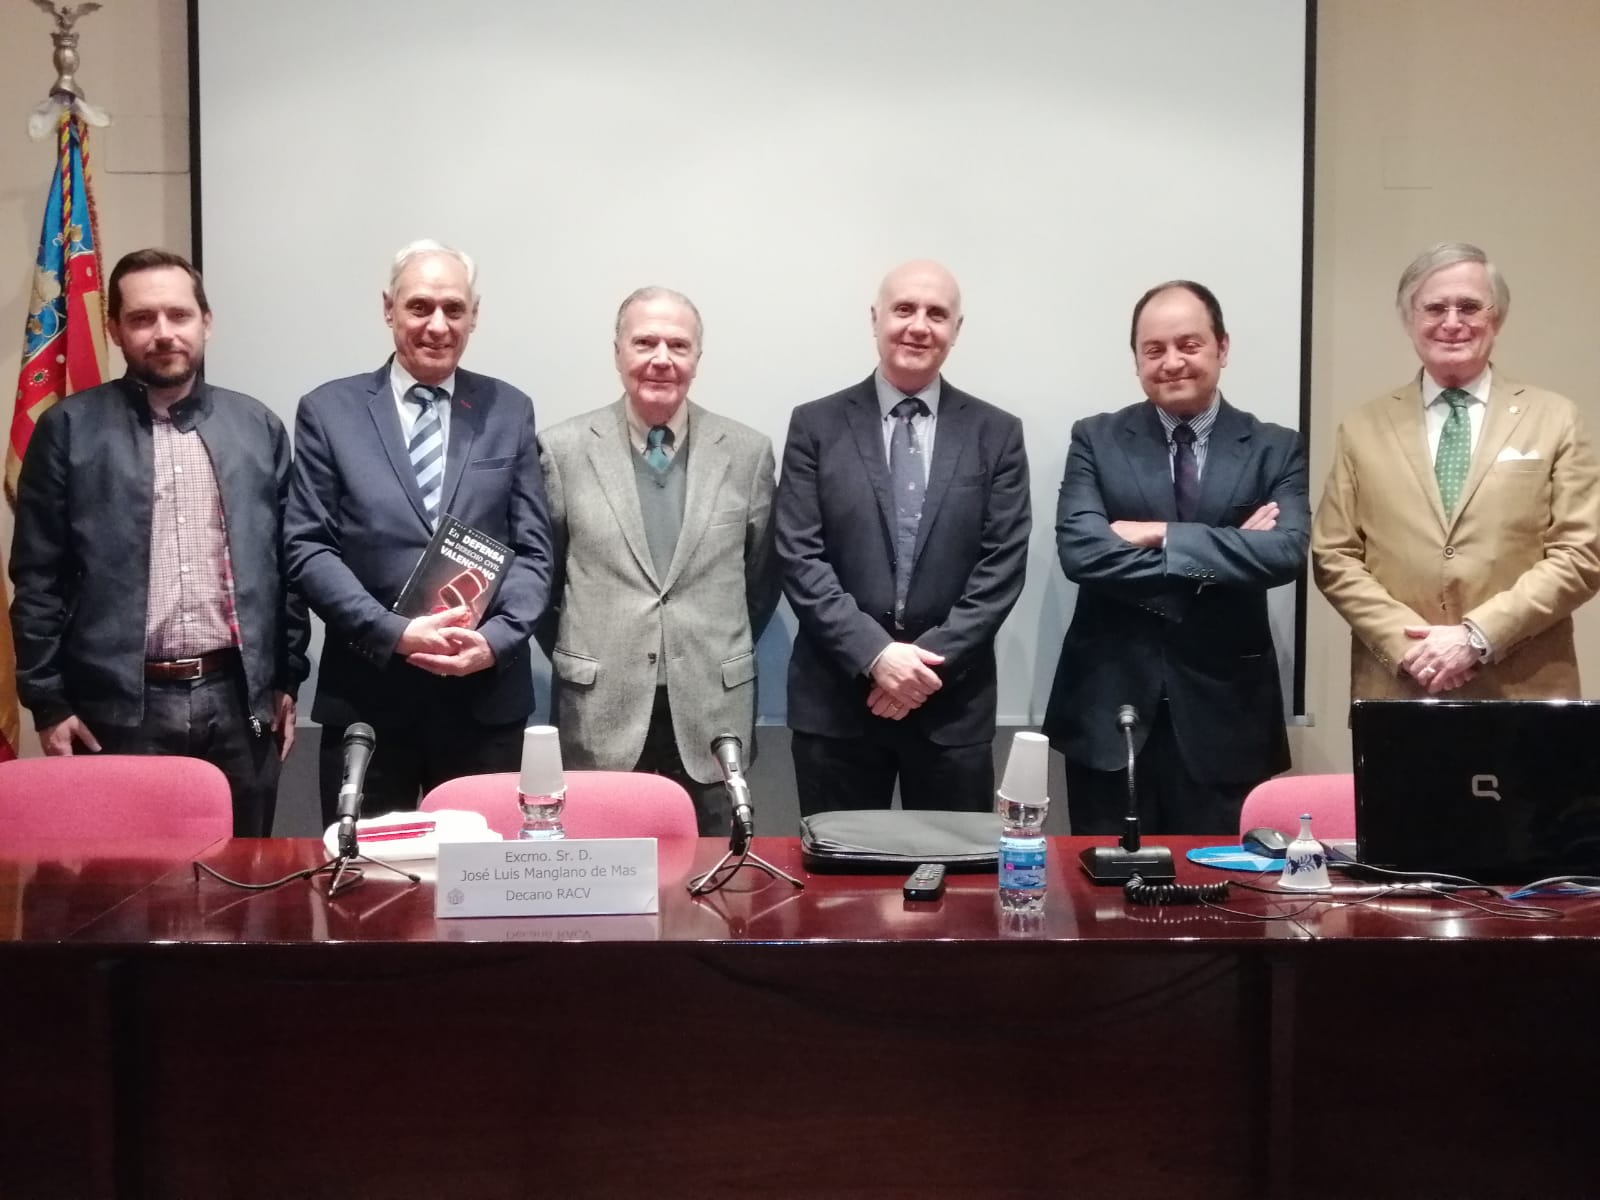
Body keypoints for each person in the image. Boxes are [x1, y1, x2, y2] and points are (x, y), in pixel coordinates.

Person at [10, 248, 308, 836]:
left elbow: (286, 570)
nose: (164, 333)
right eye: (143, 319)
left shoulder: (257, 427)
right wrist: (48, 701)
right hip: (117, 708)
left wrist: (286, 679)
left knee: (241, 889)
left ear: (207, 321)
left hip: (239, 705)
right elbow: (37, 577)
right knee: (124, 902)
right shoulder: (67, 430)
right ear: (115, 329)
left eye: (179, 315)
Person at [285, 239, 553, 824]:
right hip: (369, 703)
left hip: (484, 702)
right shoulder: (329, 411)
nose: (437, 325)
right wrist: (394, 632)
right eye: (420, 307)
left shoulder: (509, 410)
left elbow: (534, 551)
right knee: (367, 893)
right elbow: (307, 549)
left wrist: (498, 641)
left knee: (486, 888)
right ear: (388, 308)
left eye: (454, 309)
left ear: (474, 316)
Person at [1042, 280, 1308, 834]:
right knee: (1102, 905)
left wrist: (1160, 533)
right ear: (1136, 359)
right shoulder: (1096, 439)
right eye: (1154, 349)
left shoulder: (1275, 447)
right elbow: (1082, 553)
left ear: (1222, 348)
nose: (1172, 362)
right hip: (1108, 711)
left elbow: (1283, 555)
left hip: (1227, 716)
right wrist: (1227, 555)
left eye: (1189, 344)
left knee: (1222, 905)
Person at [776, 260, 1030, 816]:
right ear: (876, 319)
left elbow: (1002, 566)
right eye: (904, 309)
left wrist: (917, 670)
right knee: (836, 891)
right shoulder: (814, 425)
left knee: (955, 889)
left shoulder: (997, 433)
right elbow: (799, 555)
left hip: (951, 707)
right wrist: (875, 656)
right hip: (836, 705)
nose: (919, 325)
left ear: (956, 330)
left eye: (937, 314)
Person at [536, 288, 778, 834]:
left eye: (678, 344)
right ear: (618, 351)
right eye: (645, 342)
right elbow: (542, 582)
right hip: (599, 712)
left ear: (697, 357)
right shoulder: (562, 449)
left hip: (711, 712)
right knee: (598, 893)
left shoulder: (747, 452)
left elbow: (761, 579)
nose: (661, 358)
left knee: (713, 888)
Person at [1313, 242, 1600, 700]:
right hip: (1402, 688)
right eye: (1434, 308)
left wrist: (1476, 636)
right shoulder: (1361, 428)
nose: (1452, 322)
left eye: (1469, 306)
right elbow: (1334, 557)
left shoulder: (1556, 418)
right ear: (1410, 320)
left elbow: (1581, 554)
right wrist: (1409, 646)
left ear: (1497, 318)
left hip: (1525, 690)